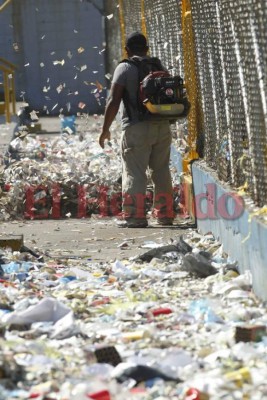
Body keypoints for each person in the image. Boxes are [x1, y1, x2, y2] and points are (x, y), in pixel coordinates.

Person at [99, 32, 174, 228]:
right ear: (147, 49)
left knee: (134, 171)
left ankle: (135, 216)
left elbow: (114, 100)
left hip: (136, 127)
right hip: (162, 126)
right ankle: (165, 215)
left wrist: (105, 129)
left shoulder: (125, 67)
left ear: (127, 50)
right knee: (161, 170)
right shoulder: (158, 66)